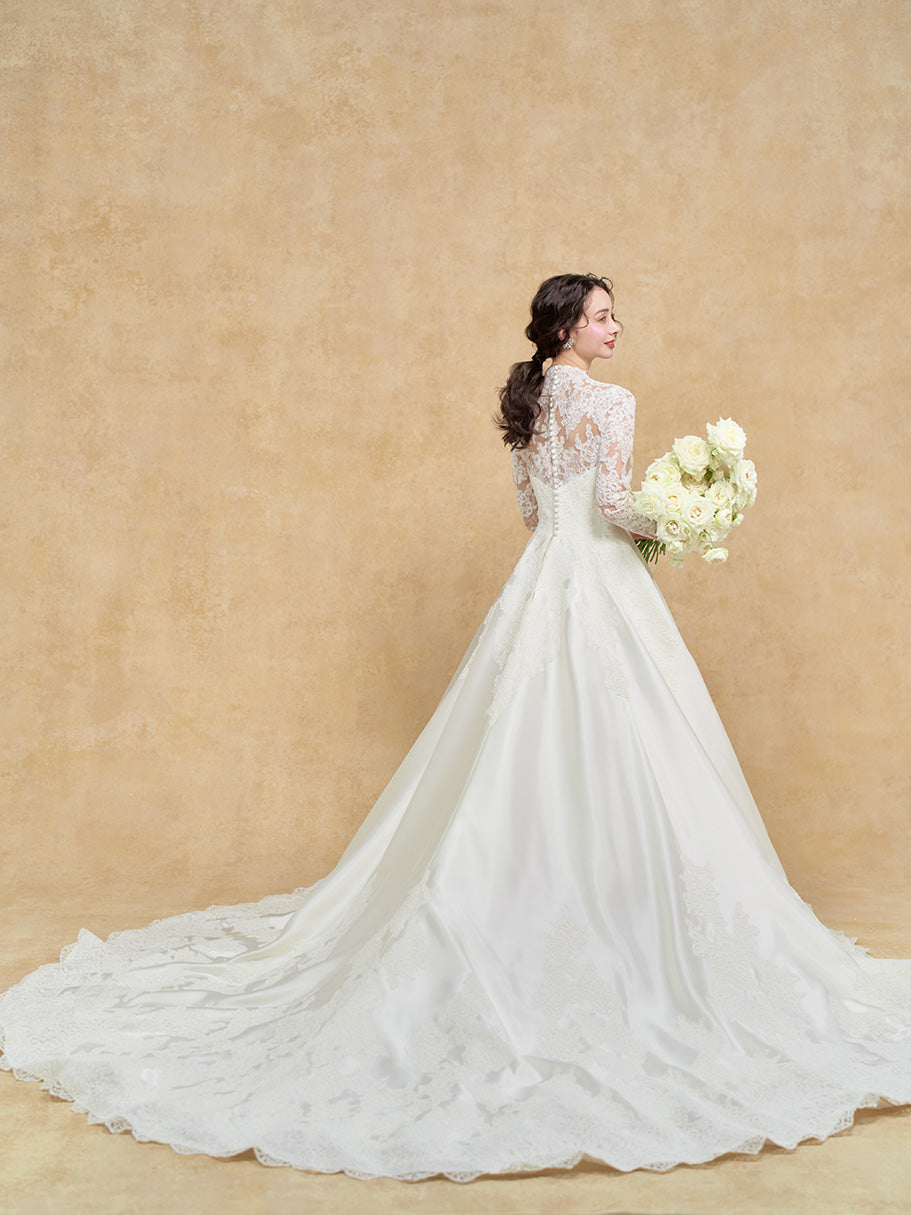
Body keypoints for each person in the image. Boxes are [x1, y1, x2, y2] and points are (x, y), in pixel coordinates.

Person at [1, 273, 910, 1182]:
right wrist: (679, 517)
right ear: (566, 327)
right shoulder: (612, 401)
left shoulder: (527, 401)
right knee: (627, 742)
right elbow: (610, 505)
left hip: (541, 581)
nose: (615, 327)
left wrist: (642, 521)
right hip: (598, 584)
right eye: (600, 316)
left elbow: (533, 513)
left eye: (611, 315)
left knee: (512, 742)